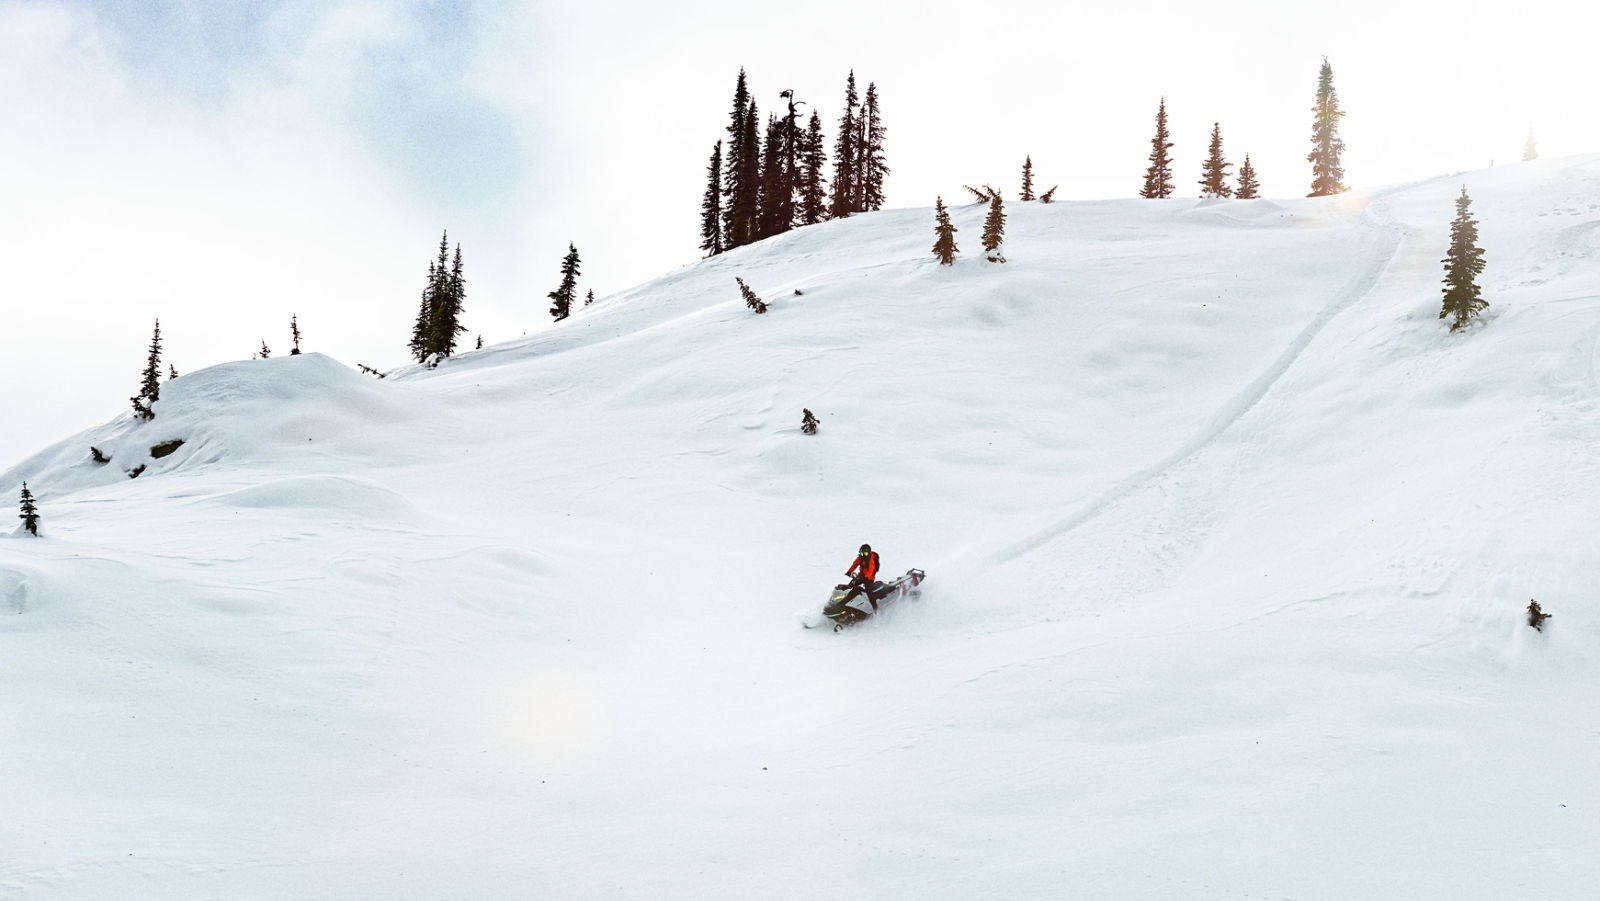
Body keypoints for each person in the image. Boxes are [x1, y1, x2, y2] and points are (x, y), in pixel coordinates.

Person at [844, 543, 890, 609]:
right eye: (862, 553)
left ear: (868, 553)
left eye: (865, 554)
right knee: (851, 585)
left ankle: (874, 608)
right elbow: (854, 564)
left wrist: (866, 577)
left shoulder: (871, 560)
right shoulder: (860, 558)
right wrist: (849, 571)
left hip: (869, 578)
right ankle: (846, 603)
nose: (863, 555)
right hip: (861, 576)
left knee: (869, 592)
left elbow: (871, 570)